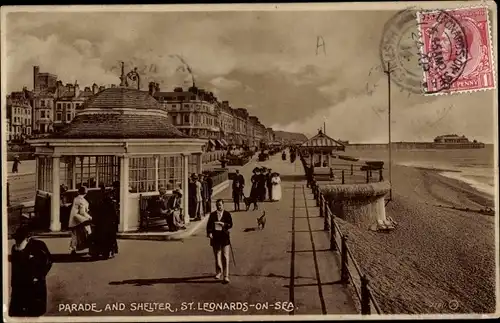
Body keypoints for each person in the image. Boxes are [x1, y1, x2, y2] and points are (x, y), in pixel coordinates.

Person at [9, 225, 53, 317]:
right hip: (19, 286)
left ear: (27, 238)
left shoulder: (38, 246)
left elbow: (48, 262)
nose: (17, 242)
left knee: (34, 312)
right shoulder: (15, 248)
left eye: (20, 239)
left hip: (34, 285)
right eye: (16, 239)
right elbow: (15, 269)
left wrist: (39, 276)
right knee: (17, 313)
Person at [206, 199, 233, 284]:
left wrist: (224, 224)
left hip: (224, 238)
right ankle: (219, 272)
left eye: (220, 205)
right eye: (217, 205)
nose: (218, 206)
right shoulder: (212, 215)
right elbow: (209, 225)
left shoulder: (227, 214)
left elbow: (230, 224)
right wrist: (209, 233)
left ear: (223, 205)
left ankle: (226, 276)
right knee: (217, 257)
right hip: (215, 238)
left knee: (225, 257)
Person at [91, 185, 118, 259]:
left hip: (101, 223)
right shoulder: (111, 203)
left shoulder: (99, 201)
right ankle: (108, 252)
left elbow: (95, 212)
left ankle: (99, 252)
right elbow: (114, 214)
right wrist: (116, 222)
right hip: (109, 223)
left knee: (100, 238)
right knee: (109, 238)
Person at [68, 186, 93, 256]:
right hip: (80, 220)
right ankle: (90, 249)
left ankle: (73, 249)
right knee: (88, 232)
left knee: (75, 235)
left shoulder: (76, 199)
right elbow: (82, 212)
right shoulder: (83, 201)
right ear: (86, 192)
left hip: (73, 220)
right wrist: (90, 217)